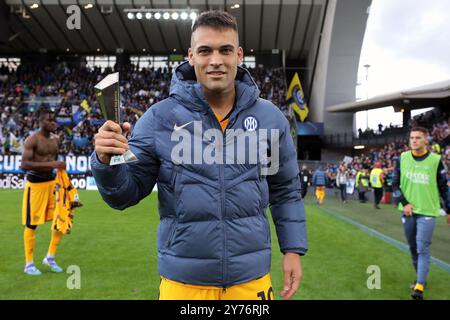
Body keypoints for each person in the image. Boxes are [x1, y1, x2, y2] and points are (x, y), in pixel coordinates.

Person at [91, 10, 307, 300]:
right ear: (191, 56)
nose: (216, 60)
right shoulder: (159, 118)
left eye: (225, 50)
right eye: (205, 51)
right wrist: (106, 161)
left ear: (239, 55)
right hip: (183, 283)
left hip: (251, 280)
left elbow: (285, 190)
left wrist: (292, 250)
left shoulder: (270, 118)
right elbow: (123, 195)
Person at [393, 127, 450, 300]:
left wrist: (449, 209)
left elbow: (443, 187)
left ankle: (418, 288)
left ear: (426, 140)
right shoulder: (401, 158)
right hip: (408, 212)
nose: (414, 141)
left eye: (418, 138)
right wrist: (405, 203)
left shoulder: (435, 160)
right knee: (413, 248)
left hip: (427, 212)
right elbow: (395, 184)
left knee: (422, 247)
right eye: (412, 138)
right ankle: (421, 278)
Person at [20, 108, 67, 275]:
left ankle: (50, 257)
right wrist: (53, 165)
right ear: (41, 122)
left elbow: (52, 161)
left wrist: (58, 167)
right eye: (49, 120)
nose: (53, 122)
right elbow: (24, 165)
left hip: (52, 184)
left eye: (54, 120)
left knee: (61, 218)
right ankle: (29, 264)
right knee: (31, 224)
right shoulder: (32, 140)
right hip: (36, 186)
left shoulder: (56, 140)